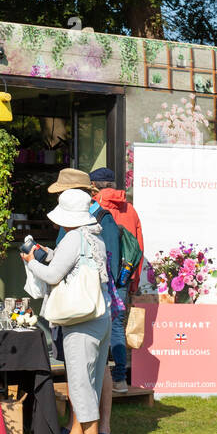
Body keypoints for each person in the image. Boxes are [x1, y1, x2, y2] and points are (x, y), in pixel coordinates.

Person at [25, 187, 112, 434]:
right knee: (93, 381)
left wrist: (30, 261)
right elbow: (72, 263)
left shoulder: (74, 237)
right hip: (100, 314)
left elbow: (52, 275)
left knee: (79, 384)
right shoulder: (93, 235)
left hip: (81, 320)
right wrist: (47, 253)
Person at [46, 168, 120, 434]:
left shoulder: (97, 223)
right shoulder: (86, 227)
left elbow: (103, 268)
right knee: (82, 373)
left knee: (89, 375)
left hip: (90, 308)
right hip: (89, 308)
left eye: (63, 194)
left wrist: (38, 263)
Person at [91, 167, 144, 394]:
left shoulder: (92, 207)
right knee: (117, 328)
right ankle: (120, 379)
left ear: (94, 185)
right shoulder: (129, 209)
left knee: (93, 324)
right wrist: (134, 280)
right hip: (122, 276)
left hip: (97, 275)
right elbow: (138, 248)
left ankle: (97, 377)